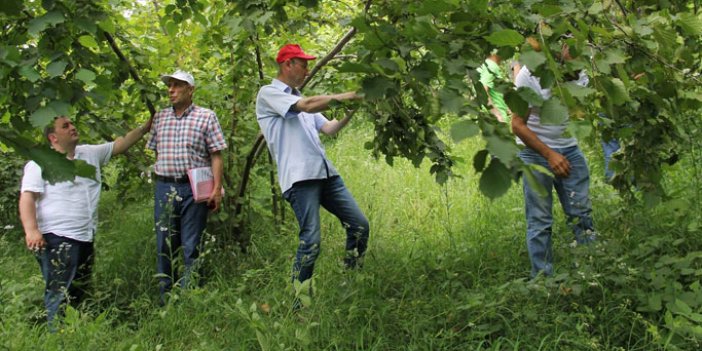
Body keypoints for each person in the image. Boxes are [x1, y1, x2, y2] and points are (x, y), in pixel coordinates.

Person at [255, 44, 369, 307]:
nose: (307, 69)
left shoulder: (300, 97)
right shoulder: (270, 94)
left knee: (359, 225)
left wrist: (355, 106)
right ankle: (298, 303)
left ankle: (349, 281)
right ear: (287, 65)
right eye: (303, 64)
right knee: (311, 241)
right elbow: (305, 106)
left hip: (326, 175)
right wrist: (348, 95)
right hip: (299, 179)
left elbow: (330, 128)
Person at [19, 115, 152, 326]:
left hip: (84, 235)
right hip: (56, 237)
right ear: (53, 137)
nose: (72, 127)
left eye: (72, 123)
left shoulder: (89, 154)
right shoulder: (40, 163)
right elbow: (27, 197)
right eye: (65, 126)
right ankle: (58, 337)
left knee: (78, 289)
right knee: (60, 292)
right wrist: (31, 230)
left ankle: (75, 331)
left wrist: (145, 127)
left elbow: (121, 144)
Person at [511, 44, 596, 278]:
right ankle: (543, 281)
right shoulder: (530, 75)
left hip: (569, 150)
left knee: (582, 213)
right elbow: (517, 125)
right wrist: (550, 154)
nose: (577, 65)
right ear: (559, 49)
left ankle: (591, 273)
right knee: (540, 220)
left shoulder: (582, 71)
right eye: (572, 50)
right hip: (535, 153)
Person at [147, 70, 227, 302]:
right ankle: (166, 297)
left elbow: (216, 155)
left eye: (177, 86)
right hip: (164, 188)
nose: (171, 90)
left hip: (194, 190)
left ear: (190, 90)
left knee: (192, 243)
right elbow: (154, 150)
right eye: (169, 86)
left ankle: (190, 294)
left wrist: (216, 189)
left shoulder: (206, 117)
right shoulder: (160, 118)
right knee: (164, 242)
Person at [477, 52, 511, 124]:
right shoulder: (491, 66)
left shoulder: (488, 65)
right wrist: (496, 113)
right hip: (497, 118)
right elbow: (482, 90)